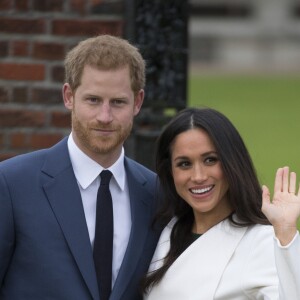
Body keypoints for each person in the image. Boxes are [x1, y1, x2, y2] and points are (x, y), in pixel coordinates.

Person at [0, 35, 162, 300]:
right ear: (69, 96)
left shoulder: (157, 193)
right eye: (93, 100)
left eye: (118, 102)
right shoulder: (11, 184)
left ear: (137, 102)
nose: (105, 117)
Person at [143, 107, 300, 300]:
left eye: (210, 160)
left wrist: (286, 232)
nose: (198, 176)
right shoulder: (164, 229)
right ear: (170, 171)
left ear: (231, 162)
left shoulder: (261, 242)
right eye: (184, 164)